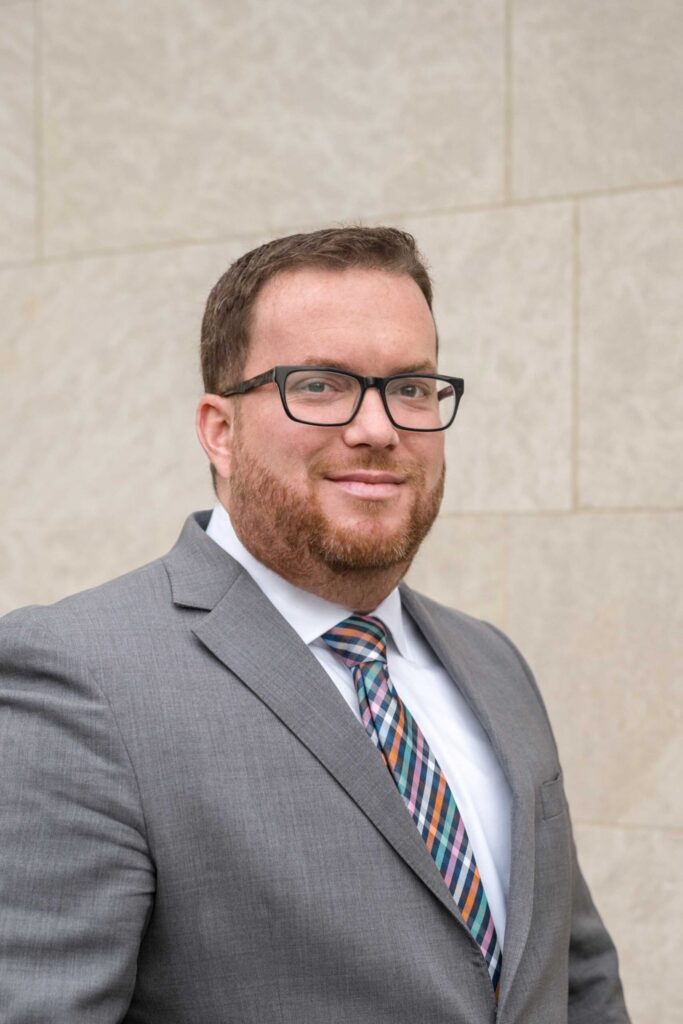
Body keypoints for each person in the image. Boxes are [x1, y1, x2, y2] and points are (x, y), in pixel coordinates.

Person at [0, 227, 630, 1023]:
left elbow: (576, 981)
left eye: (410, 388)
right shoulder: (77, 676)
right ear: (220, 431)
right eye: (322, 385)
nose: (378, 428)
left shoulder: (492, 662)